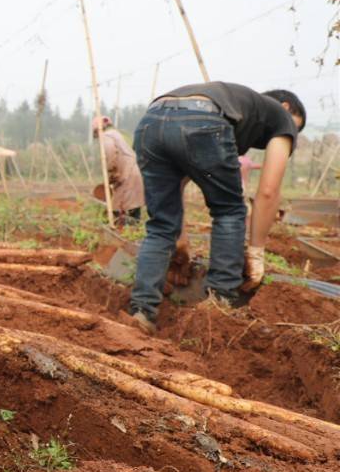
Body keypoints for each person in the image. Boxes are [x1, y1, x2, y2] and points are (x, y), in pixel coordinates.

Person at [127, 82, 305, 332]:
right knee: (229, 211)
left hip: (151, 122)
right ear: (286, 107)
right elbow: (268, 191)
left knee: (160, 226)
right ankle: (219, 306)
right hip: (202, 119)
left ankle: (141, 312)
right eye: (294, 132)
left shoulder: (238, 107)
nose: (290, 139)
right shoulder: (282, 118)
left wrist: (180, 239)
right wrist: (255, 253)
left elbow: (176, 183)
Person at [91, 115, 143, 225]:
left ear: (97, 130)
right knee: (132, 210)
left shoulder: (107, 136)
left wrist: (110, 171)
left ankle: (125, 236)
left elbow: (110, 153)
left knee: (121, 213)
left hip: (127, 177)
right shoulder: (117, 135)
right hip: (133, 174)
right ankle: (134, 234)